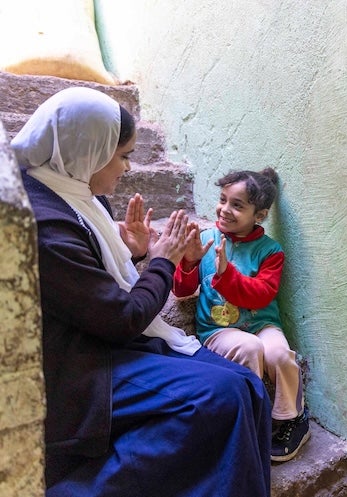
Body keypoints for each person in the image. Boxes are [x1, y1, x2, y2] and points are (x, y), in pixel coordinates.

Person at [11, 87, 272, 497]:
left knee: (248, 386)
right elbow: (122, 318)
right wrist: (161, 261)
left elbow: (91, 290)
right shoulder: (44, 224)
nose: (128, 167)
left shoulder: (79, 196)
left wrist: (133, 255)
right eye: (123, 155)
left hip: (103, 338)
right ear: (90, 150)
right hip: (78, 366)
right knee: (222, 396)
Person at [173, 168, 311, 462]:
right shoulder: (206, 239)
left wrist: (226, 275)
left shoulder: (271, 251)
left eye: (237, 205)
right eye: (223, 200)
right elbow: (182, 291)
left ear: (259, 215)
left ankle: (293, 417)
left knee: (278, 354)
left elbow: (261, 294)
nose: (225, 209)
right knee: (249, 348)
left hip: (262, 324)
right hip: (218, 330)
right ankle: (250, 422)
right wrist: (188, 261)